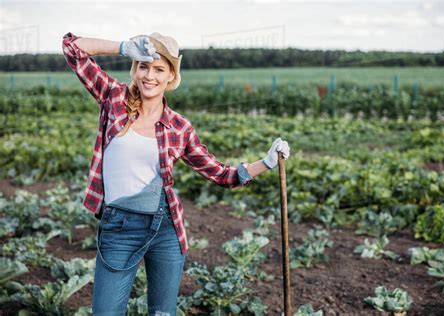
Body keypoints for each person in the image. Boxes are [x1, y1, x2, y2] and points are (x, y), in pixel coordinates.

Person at [62, 31, 290, 316]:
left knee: (163, 313)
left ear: (171, 76)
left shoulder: (179, 127)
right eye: (144, 66)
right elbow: (72, 48)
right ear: (135, 68)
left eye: (159, 69)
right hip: (118, 228)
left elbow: (221, 174)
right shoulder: (114, 97)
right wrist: (122, 47)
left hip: (165, 228)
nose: (150, 76)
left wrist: (266, 162)